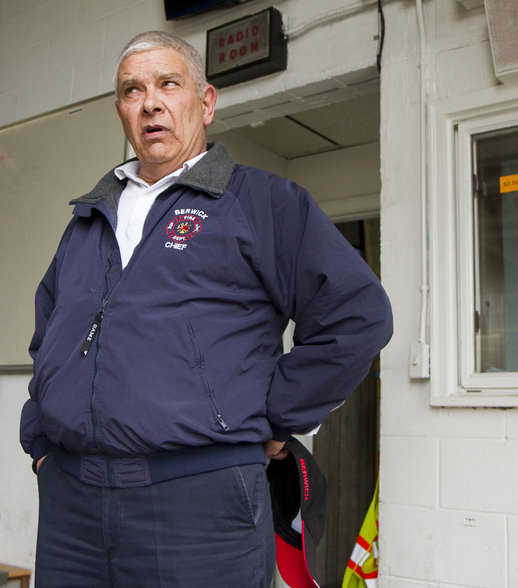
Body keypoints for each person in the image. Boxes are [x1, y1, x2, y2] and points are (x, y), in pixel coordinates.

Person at [20, 30, 393, 587]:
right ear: (121, 111)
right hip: (71, 503)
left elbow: (357, 316)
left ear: (206, 101)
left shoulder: (261, 202)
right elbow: (49, 335)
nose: (150, 102)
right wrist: (40, 442)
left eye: (169, 83)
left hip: (200, 501)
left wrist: (279, 418)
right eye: (132, 89)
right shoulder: (87, 219)